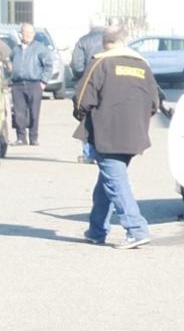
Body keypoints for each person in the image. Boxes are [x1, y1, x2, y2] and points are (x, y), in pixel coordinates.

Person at [74, 26, 159, 250]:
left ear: (105, 43)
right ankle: (96, 230)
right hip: (135, 134)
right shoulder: (142, 65)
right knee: (108, 180)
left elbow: (81, 98)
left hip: (107, 133)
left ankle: (136, 229)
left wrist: (82, 117)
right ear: (124, 41)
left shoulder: (100, 63)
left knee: (115, 182)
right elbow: (155, 101)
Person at [9, 23, 54, 146]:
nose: (28, 35)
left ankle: (33, 138)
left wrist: (43, 81)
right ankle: (21, 138)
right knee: (19, 113)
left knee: (34, 112)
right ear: (21, 34)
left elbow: (49, 66)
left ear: (34, 34)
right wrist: (10, 81)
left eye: (30, 33)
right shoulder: (15, 50)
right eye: (25, 32)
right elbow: (10, 66)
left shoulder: (40, 48)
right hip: (17, 85)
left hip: (34, 84)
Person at [72, 14, 107, 164]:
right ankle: (104, 152)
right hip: (108, 83)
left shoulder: (83, 40)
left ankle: (88, 154)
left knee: (86, 119)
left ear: (90, 25)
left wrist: (81, 76)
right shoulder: (111, 40)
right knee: (106, 117)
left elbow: (77, 64)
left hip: (89, 83)